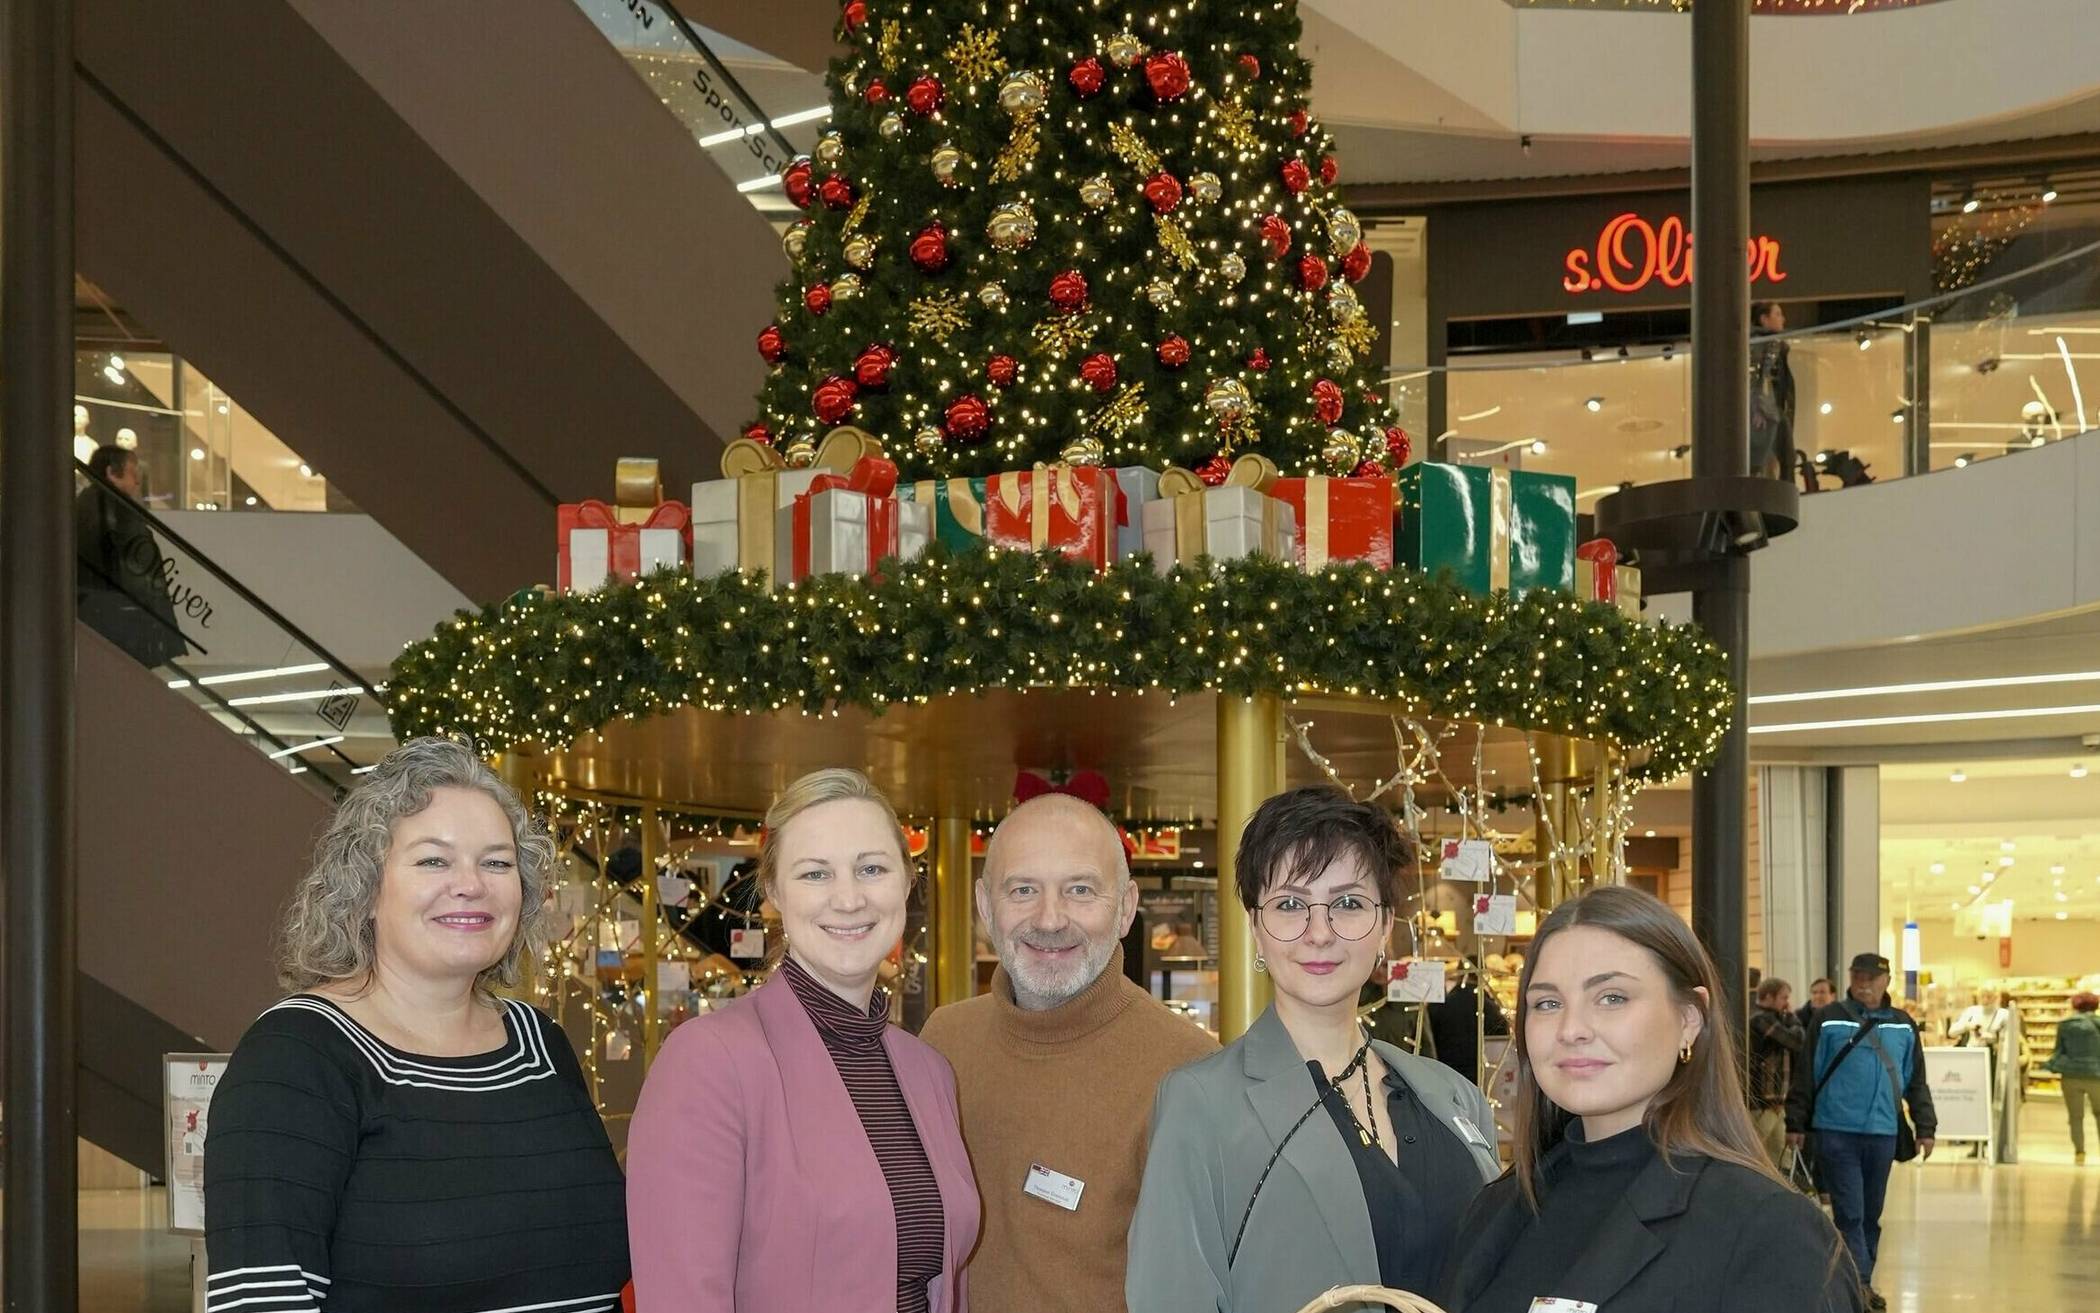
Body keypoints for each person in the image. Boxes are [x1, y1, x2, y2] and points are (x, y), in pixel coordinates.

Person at [204, 738, 629, 1313]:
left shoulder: (540, 1043)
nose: (471, 884)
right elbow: (264, 1301)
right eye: (434, 860)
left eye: (497, 862)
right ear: (364, 889)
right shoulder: (296, 1057)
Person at [1128, 788, 1500, 1312]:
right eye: (1289, 905)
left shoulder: (1455, 1097)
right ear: (1255, 927)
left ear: (1385, 926)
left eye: (1348, 903)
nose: (1319, 933)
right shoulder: (1201, 1104)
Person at [627, 768, 978, 1312]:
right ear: (774, 892)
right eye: (816, 874)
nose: (849, 899)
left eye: (872, 869)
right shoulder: (708, 1061)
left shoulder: (928, 1069)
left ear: (907, 881)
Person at [1440, 886, 1859, 1313]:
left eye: (1612, 998)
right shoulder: (1500, 1207)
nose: (1571, 1029)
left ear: (1689, 1019)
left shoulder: (1770, 1231)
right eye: (1547, 1003)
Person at [919, 794, 1215, 1313]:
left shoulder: (1191, 1071)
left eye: (1080, 890)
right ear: (986, 906)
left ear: (1125, 908)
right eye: (1023, 890)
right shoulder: (942, 1042)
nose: (1050, 919)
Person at [1787, 953, 1937, 1311]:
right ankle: (1860, 1286)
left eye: (1871, 977)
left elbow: (1916, 1079)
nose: (1864, 983)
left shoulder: (1902, 1024)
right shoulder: (1828, 1018)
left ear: (1886, 981)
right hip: (1835, 1130)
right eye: (1858, 976)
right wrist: (1796, 1121)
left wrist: (1925, 1126)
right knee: (1850, 1213)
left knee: (1871, 1214)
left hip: (1883, 1133)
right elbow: (1806, 1072)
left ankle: (1857, 1279)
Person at [75, 443, 186, 667]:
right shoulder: (116, 511)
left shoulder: (85, 506)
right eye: (133, 472)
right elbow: (136, 566)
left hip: (96, 611)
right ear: (111, 472)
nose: (137, 481)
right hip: (120, 616)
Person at [1425, 957, 1512, 1086]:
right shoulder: (1493, 1010)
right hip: (1481, 1082)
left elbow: (1428, 1044)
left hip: (1445, 1078)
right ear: (1483, 975)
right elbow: (1502, 1049)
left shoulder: (1441, 1006)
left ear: (1459, 974)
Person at [1748, 976, 1805, 1168]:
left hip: (1777, 1100)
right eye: (1783, 997)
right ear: (1769, 997)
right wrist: (1793, 1018)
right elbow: (1795, 1041)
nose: (1787, 1003)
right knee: (1757, 1152)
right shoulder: (1760, 1019)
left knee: (1780, 1154)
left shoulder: (1777, 1019)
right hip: (1762, 1101)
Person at [2043, 990, 2100, 1164]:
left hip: (2070, 1075)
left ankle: (2079, 1153)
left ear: (2075, 1005)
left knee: (2075, 1116)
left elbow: (2059, 1050)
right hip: (2097, 1075)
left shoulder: (2065, 1024)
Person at [1750, 300, 1797, 479]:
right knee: (1769, 459)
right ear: (1764, 319)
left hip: (1774, 409)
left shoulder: (1776, 345)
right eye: (1777, 314)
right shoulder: (1760, 345)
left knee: (1783, 458)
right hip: (1767, 410)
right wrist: (1757, 408)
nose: (1783, 319)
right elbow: (1755, 377)